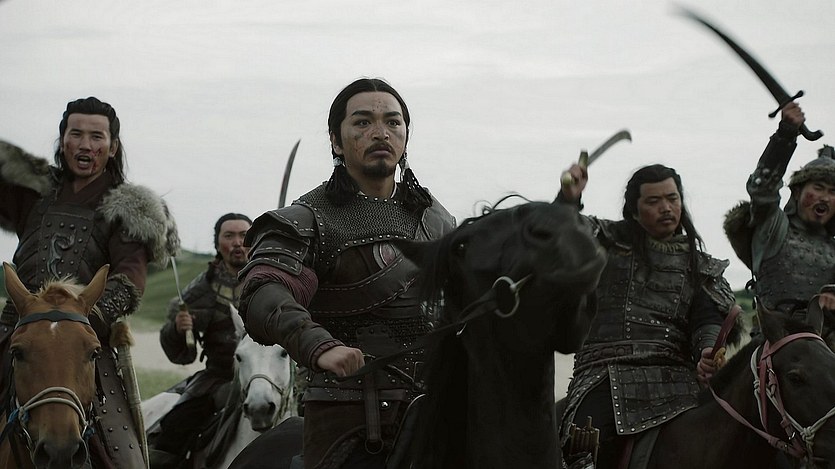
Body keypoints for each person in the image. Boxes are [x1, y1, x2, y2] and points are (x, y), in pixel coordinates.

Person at [237, 78, 456, 469]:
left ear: (405, 136)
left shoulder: (437, 220)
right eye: (363, 122)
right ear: (336, 141)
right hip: (348, 418)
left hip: (440, 408)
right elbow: (262, 292)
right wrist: (319, 345)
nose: (380, 132)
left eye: (393, 122)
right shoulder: (309, 219)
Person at [0, 96, 179, 468]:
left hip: (84, 343)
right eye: (76, 134)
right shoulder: (33, 194)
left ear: (112, 147)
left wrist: (79, 322)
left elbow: (129, 280)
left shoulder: (128, 210)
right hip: (17, 333)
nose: (85, 144)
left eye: (96, 136)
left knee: (125, 459)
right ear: (63, 140)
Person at [556, 163, 736, 468]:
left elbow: (707, 317)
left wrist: (708, 351)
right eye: (653, 201)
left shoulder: (700, 265)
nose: (666, 208)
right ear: (634, 210)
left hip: (677, 376)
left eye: (672, 198)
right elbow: (561, 233)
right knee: (584, 444)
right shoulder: (605, 242)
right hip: (606, 373)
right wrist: (568, 198)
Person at [150, 212, 252, 468]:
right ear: (218, 243)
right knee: (175, 428)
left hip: (273, 374)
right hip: (219, 378)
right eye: (229, 236)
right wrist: (178, 329)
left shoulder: (274, 281)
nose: (238, 242)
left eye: (244, 235)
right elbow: (183, 354)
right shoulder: (200, 290)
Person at [724, 102, 835, 321]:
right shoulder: (774, 227)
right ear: (797, 193)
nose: (824, 197)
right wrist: (786, 134)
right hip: (773, 336)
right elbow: (762, 189)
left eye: (833, 192)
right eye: (818, 188)